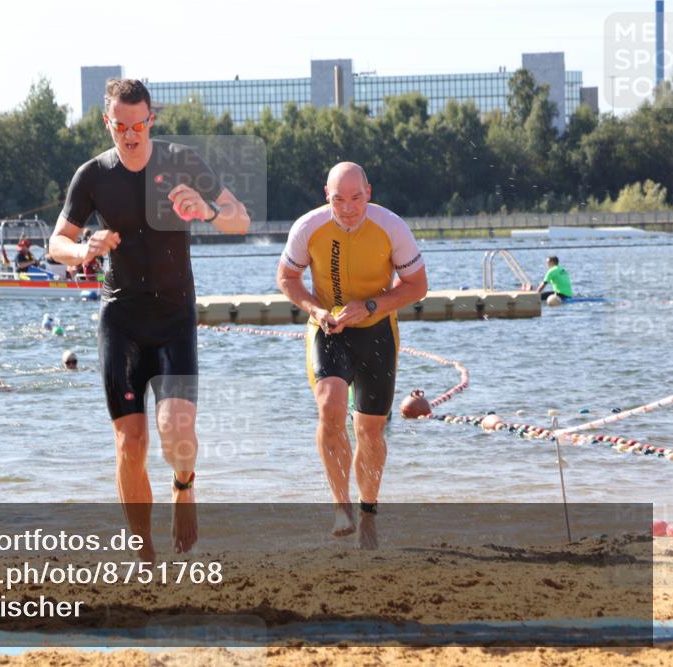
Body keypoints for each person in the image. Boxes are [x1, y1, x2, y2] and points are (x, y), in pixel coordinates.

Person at [49, 78, 250, 558]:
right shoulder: (93, 176)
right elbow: (57, 244)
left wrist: (208, 211)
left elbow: (240, 218)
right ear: (107, 122)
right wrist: (84, 250)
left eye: (138, 125)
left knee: (176, 430)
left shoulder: (182, 162)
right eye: (120, 126)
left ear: (151, 120)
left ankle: (184, 487)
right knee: (130, 442)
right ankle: (143, 552)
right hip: (121, 318)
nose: (130, 135)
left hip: (174, 316)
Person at [277, 162, 428, 548]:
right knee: (330, 409)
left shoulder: (391, 227)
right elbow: (287, 278)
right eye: (338, 200)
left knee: (370, 432)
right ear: (326, 196)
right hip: (329, 330)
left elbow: (417, 286)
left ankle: (368, 513)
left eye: (356, 198)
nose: (347, 208)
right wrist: (316, 310)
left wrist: (372, 306)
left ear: (369, 193)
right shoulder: (308, 227)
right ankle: (341, 504)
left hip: (377, 332)